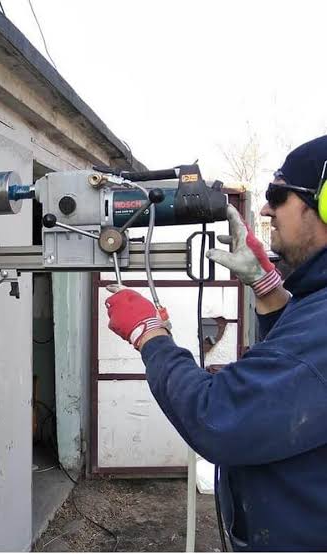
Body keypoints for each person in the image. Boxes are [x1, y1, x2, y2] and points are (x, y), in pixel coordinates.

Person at [106, 135, 327, 551]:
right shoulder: (316, 303)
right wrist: (267, 289)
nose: (265, 209)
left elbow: (217, 416)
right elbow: (305, 378)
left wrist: (149, 334)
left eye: (278, 195)